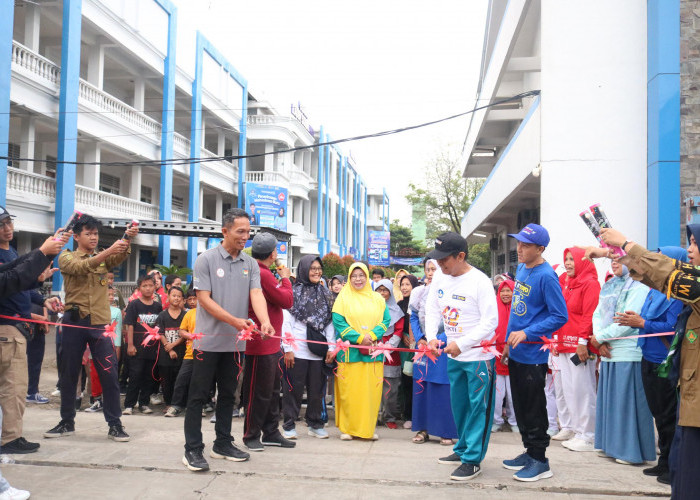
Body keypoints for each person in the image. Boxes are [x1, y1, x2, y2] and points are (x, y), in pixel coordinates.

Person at [589, 225, 700, 498]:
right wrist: (616, 252)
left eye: (696, 243)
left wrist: (626, 244)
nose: (690, 249)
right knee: (683, 474)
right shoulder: (685, 281)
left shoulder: (694, 284)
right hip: (689, 396)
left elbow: (668, 272)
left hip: (694, 402)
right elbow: (658, 274)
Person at [183, 208, 274, 472]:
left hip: (235, 345)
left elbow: (256, 294)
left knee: (227, 396)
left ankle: (222, 443)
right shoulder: (206, 260)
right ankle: (192, 449)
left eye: (248, 232)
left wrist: (264, 321)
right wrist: (234, 321)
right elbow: (203, 298)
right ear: (225, 231)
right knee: (198, 396)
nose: (245, 237)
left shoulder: (250, 264)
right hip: (207, 344)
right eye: (240, 232)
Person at [44, 214, 136, 443]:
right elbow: (84, 266)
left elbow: (119, 255)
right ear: (76, 236)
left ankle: (115, 424)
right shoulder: (66, 257)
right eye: (89, 234)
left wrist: (128, 238)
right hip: (74, 322)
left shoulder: (103, 257)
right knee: (69, 374)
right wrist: (107, 251)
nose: (94, 237)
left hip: (100, 324)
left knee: (109, 373)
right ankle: (67, 421)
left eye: (96, 234)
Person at [424, 232, 499, 481]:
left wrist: (463, 344)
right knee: (460, 406)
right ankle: (462, 448)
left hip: (478, 357)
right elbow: (432, 309)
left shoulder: (480, 281)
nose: (439, 264)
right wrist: (432, 336)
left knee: (478, 408)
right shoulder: (440, 278)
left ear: (461, 256)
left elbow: (491, 322)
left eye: (444, 259)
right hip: (454, 356)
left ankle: (473, 460)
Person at [502, 223, 568, 482]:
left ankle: (540, 460)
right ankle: (529, 451)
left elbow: (559, 315)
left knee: (534, 406)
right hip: (516, 351)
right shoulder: (521, 268)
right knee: (520, 406)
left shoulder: (546, 276)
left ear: (540, 249)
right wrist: (508, 340)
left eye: (526, 245)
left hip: (533, 355)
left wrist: (527, 334)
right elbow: (518, 311)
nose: (519, 249)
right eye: (518, 243)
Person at [615, 246, 686, 484]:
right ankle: (664, 461)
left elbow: (672, 327)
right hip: (647, 355)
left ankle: (673, 465)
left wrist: (642, 321)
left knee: (668, 416)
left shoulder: (677, 293)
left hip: (665, 361)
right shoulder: (656, 290)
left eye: (663, 258)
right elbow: (646, 318)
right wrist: (633, 319)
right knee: (658, 414)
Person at [591, 259, 654, 465]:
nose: (614, 262)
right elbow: (598, 313)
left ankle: (630, 451)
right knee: (611, 404)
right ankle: (611, 446)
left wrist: (601, 337)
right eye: (612, 259)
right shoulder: (610, 284)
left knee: (627, 404)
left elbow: (627, 321)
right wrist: (599, 339)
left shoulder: (639, 285)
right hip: (609, 349)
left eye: (620, 258)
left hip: (628, 351)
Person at [242, 232, 294, 451]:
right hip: (260, 343)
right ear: (273, 253)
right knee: (258, 392)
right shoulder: (262, 274)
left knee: (272, 391)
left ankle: (271, 431)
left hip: (270, 342)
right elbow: (286, 300)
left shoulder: (260, 271)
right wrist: (285, 278)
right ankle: (251, 434)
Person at [332, 262, 390, 441]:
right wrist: (359, 338)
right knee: (349, 391)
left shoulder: (377, 299)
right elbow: (339, 322)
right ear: (349, 278)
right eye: (354, 276)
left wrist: (371, 335)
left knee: (370, 393)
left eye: (361, 275)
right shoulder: (343, 298)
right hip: (350, 353)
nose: (358, 279)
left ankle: (367, 429)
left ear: (367, 276)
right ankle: (348, 429)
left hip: (372, 352)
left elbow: (385, 320)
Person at [281, 255, 336, 440]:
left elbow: (330, 323)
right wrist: (287, 348)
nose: (316, 272)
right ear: (304, 270)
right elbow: (286, 321)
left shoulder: (326, 294)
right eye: (312, 268)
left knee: (317, 390)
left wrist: (330, 347)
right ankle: (289, 425)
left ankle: (315, 424)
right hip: (297, 349)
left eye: (319, 268)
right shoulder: (294, 292)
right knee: (293, 389)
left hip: (318, 350)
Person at [551, 247, 600, 452]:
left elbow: (589, 315)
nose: (569, 263)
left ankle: (589, 435)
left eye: (573, 259)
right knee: (570, 390)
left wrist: (582, 342)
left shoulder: (590, 284)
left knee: (583, 390)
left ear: (583, 262)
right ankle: (578, 431)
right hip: (564, 344)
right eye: (566, 259)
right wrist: (555, 339)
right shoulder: (568, 285)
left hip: (579, 347)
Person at [410, 259, 457, 446]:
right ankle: (423, 429)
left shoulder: (450, 291)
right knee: (422, 387)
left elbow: (455, 318)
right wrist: (421, 337)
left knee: (443, 388)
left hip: (443, 346)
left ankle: (445, 431)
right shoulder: (418, 292)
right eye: (428, 269)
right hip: (423, 346)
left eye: (434, 269)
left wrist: (441, 339)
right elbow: (413, 316)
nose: (431, 273)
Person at [121, 275, 161, 415]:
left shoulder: (157, 306)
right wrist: (130, 345)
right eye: (144, 286)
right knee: (135, 375)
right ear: (139, 288)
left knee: (148, 376)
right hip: (137, 348)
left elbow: (159, 327)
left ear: (155, 287)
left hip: (152, 349)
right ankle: (129, 405)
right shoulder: (134, 305)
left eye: (150, 285)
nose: (148, 288)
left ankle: (144, 403)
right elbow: (130, 325)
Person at [85, 286, 123, 413]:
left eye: (113, 295)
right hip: (93, 346)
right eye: (108, 295)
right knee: (94, 375)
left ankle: (110, 401)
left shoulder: (116, 312)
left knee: (109, 374)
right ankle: (97, 400)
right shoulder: (92, 310)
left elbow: (117, 332)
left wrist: (117, 348)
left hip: (109, 347)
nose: (111, 297)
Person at [374, 279, 405, 429]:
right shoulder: (370, 308)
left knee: (390, 388)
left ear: (390, 292)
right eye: (379, 290)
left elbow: (398, 331)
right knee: (373, 385)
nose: (382, 293)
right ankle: (373, 415)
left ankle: (389, 417)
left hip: (390, 353)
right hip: (372, 349)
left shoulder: (397, 311)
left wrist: (388, 347)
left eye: (385, 290)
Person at [166, 289, 198, 417]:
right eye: (189, 299)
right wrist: (189, 335)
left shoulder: (210, 312)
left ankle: (198, 407)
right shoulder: (189, 314)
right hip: (190, 353)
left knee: (200, 382)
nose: (192, 301)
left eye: (195, 298)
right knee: (181, 380)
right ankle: (176, 406)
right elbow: (181, 331)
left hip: (206, 353)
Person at [492, 279, 518, 433]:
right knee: (497, 393)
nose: (506, 294)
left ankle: (515, 421)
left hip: (515, 355)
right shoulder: (494, 308)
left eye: (509, 290)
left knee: (514, 393)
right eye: (503, 290)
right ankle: (496, 420)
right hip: (496, 357)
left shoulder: (519, 310)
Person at [156, 286, 186, 409]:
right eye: (174, 295)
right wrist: (168, 348)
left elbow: (186, 334)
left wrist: (172, 346)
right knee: (166, 381)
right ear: (168, 297)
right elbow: (160, 332)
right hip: (165, 354)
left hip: (181, 353)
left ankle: (178, 403)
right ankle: (168, 404)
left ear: (183, 299)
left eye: (179, 296)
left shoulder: (185, 315)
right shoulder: (162, 315)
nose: (176, 298)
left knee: (179, 379)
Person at [398, 274, 419, 429]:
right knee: (406, 381)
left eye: (407, 284)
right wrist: (403, 335)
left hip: (419, 347)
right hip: (404, 349)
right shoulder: (399, 305)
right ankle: (408, 415)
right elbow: (396, 325)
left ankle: (419, 415)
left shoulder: (419, 304)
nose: (404, 288)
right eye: (402, 285)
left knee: (419, 381)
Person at [25, 302, 49, 405]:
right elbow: (18, 311)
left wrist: (45, 320)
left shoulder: (34, 290)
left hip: (38, 330)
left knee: (36, 362)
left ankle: (33, 391)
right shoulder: (20, 289)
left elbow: (43, 303)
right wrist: (39, 318)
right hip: (24, 329)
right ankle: (31, 392)